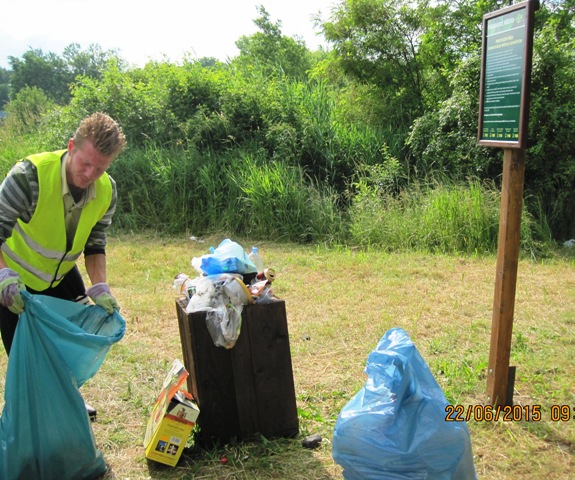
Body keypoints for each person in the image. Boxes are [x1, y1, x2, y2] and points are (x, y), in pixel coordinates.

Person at [0, 112, 126, 356]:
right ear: (71, 147)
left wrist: (100, 285)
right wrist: (3, 275)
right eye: (85, 163)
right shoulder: (28, 178)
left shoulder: (107, 191)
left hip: (61, 277)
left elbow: (95, 245)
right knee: (28, 360)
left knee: (71, 351)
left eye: (100, 168)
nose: (90, 175)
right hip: (14, 283)